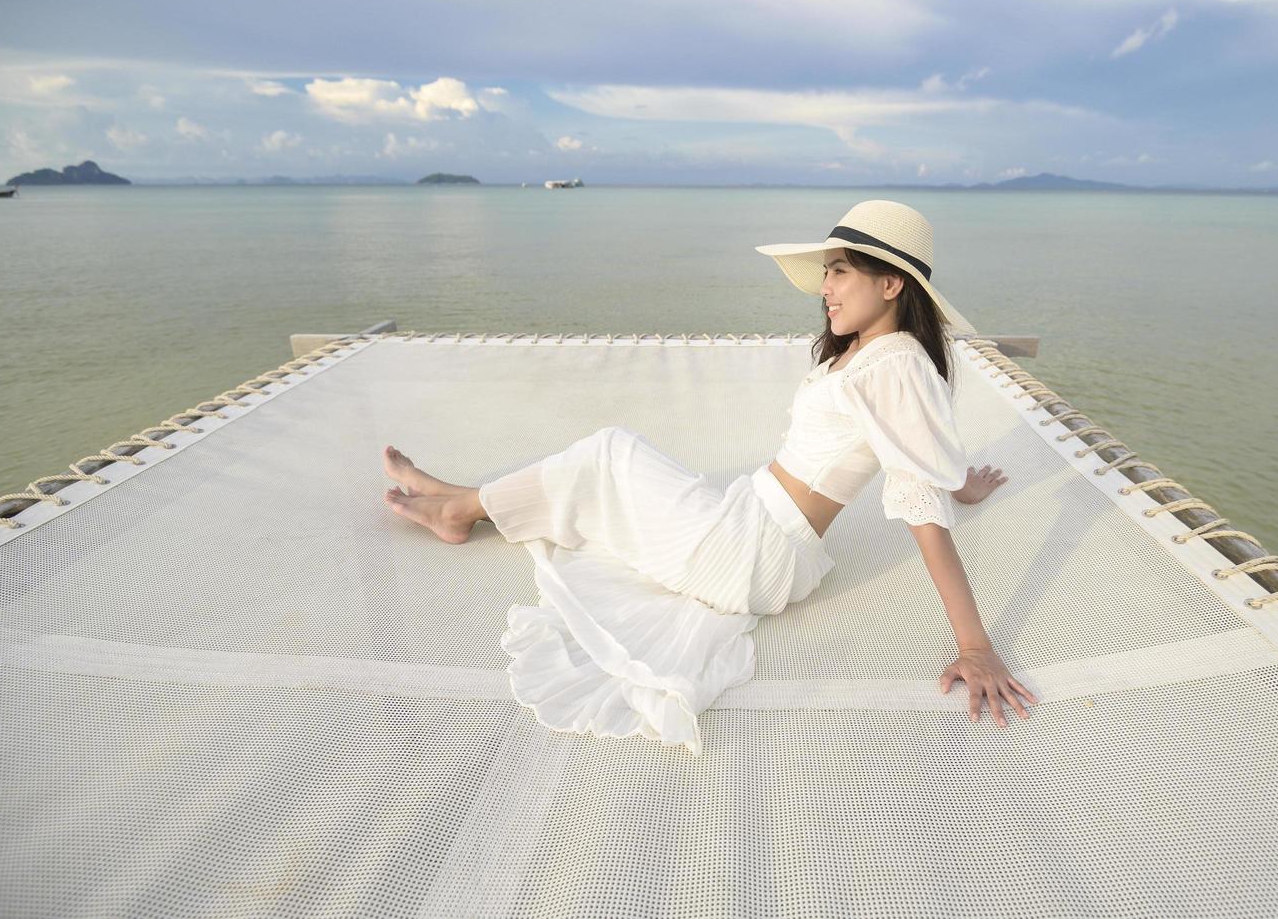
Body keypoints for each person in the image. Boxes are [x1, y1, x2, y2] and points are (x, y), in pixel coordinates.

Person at [381, 199, 1036, 752]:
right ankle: (462, 501)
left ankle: (459, 507)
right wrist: (961, 482)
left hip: (746, 553)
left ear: (890, 284)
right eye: (826, 274)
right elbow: (917, 453)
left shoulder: (890, 364)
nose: (823, 288)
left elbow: (920, 509)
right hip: (751, 528)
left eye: (838, 272)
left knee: (610, 452)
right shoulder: (881, 354)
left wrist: (974, 645)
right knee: (611, 463)